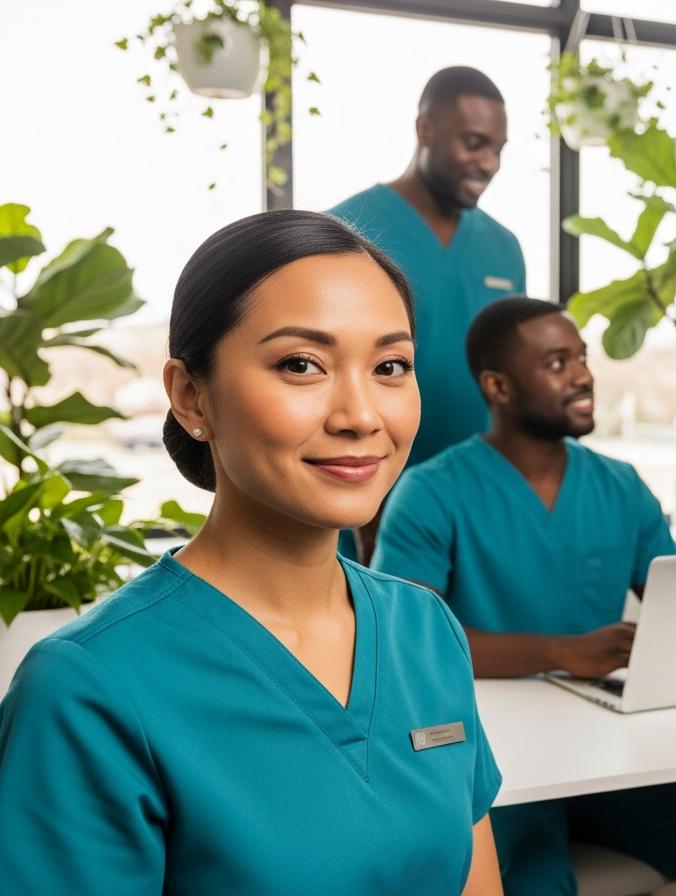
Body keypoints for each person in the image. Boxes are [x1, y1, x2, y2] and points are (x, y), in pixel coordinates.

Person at [0, 211, 503, 894]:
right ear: (190, 396)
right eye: (302, 364)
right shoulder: (86, 688)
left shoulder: (426, 631)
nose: (360, 415)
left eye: (391, 366)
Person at [373, 296, 676, 895]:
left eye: (582, 357)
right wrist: (562, 651)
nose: (582, 375)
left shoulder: (621, 486)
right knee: (536, 885)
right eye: (556, 362)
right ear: (497, 386)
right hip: (497, 768)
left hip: (611, 756)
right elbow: (408, 645)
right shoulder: (431, 493)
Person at [330, 65, 525, 560]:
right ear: (425, 130)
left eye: (499, 149)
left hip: (475, 505)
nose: (489, 163)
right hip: (366, 496)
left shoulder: (505, 249)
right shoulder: (346, 232)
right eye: (474, 143)